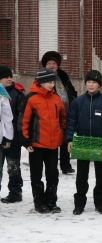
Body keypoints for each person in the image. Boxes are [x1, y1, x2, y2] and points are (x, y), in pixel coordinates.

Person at [65, 70, 102, 215]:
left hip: (101, 143)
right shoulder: (78, 102)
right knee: (81, 176)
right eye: (88, 82)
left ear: (99, 85)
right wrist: (69, 139)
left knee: (101, 176)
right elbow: (71, 122)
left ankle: (100, 203)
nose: (91, 84)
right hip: (82, 142)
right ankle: (79, 204)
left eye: (94, 82)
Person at [18, 68, 66, 213]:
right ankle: (39, 203)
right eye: (49, 82)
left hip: (53, 145)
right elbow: (22, 122)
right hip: (36, 144)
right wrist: (26, 141)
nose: (52, 85)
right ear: (40, 82)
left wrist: (61, 133)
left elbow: (63, 118)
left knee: (53, 175)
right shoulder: (30, 98)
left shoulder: (56, 98)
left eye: (53, 82)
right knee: (36, 175)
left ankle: (51, 201)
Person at [41, 51, 78, 175]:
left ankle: (65, 165)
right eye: (49, 63)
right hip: (50, 113)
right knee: (51, 139)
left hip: (66, 112)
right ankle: (49, 165)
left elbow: (71, 91)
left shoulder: (63, 76)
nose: (51, 65)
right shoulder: (42, 77)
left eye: (54, 63)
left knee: (65, 138)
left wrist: (72, 101)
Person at [0, 66, 24, 204]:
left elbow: (21, 116)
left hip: (13, 137)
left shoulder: (17, 93)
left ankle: (15, 192)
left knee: (13, 166)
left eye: (10, 76)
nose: (9, 79)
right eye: (6, 77)